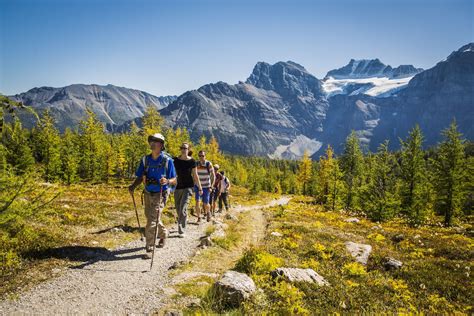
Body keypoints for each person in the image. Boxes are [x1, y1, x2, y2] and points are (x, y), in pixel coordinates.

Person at [129, 133, 177, 259]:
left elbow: (174, 179)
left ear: (161, 145)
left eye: (155, 141)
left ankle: (149, 246)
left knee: (152, 219)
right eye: (151, 141)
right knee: (151, 217)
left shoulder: (167, 161)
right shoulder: (145, 160)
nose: (152, 143)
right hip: (148, 192)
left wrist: (167, 181)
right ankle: (163, 233)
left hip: (161, 193)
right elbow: (140, 175)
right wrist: (133, 186)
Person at [173, 142, 201, 237]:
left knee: (183, 208)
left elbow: (195, 175)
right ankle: (184, 218)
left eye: (185, 148)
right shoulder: (175, 160)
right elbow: (170, 172)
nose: (183, 150)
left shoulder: (192, 161)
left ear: (188, 149)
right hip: (177, 186)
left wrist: (200, 187)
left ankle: (181, 230)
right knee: (178, 207)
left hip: (189, 187)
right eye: (182, 148)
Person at [194, 150, 215, 222]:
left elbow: (213, 176)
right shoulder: (196, 164)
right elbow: (194, 174)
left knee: (206, 203)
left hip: (206, 186)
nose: (201, 157)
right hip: (197, 186)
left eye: (202, 156)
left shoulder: (208, 164)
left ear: (205, 156)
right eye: (199, 156)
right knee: (197, 201)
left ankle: (208, 212)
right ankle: (199, 217)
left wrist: (211, 186)